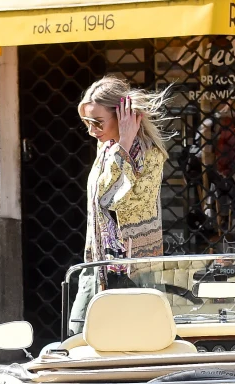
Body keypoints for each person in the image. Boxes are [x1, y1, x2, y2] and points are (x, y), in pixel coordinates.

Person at [69, 76, 169, 335]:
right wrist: (119, 147)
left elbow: (112, 200)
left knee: (135, 342)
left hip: (135, 269)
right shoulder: (106, 149)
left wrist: (124, 144)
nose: (92, 130)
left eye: (97, 122)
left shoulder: (150, 154)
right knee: (77, 332)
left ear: (123, 114)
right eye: (86, 123)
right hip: (97, 263)